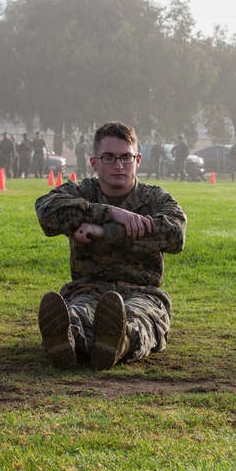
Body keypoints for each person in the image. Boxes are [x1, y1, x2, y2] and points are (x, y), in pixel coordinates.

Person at [35, 121, 187, 371]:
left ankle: (118, 343)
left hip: (141, 292)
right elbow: (46, 211)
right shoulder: (82, 192)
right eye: (109, 158)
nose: (118, 165)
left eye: (126, 157)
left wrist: (104, 231)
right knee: (76, 315)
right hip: (87, 289)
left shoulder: (155, 199)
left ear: (138, 160)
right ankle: (66, 341)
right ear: (94, 163)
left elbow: (175, 235)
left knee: (139, 320)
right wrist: (110, 212)